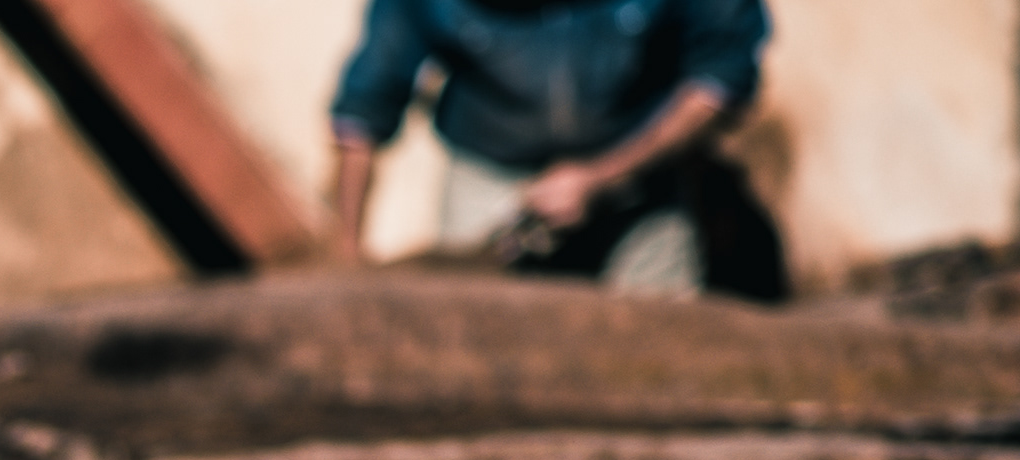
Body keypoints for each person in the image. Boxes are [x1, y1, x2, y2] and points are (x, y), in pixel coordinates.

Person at [329, 0, 771, 297]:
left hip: (641, 184)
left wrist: (603, 177)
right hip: (488, 177)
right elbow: (364, 111)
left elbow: (721, 80)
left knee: (668, 344)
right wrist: (346, 249)